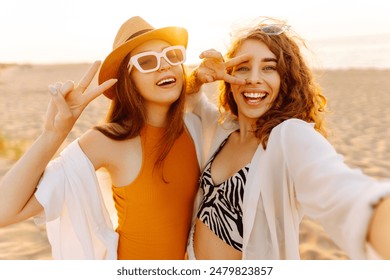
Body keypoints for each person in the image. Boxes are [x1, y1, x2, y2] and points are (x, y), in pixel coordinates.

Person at [185, 17, 390, 260]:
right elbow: (189, 102)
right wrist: (198, 78)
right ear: (229, 77)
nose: (253, 78)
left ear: (286, 80)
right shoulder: (222, 128)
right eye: (243, 67)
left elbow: (346, 195)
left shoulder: (289, 137)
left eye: (269, 67)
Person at [0, 16, 203, 260]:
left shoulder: (195, 127)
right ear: (129, 80)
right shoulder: (110, 140)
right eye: (147, 61)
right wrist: (53, 135)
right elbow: (5, 212)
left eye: (172, 55)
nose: (164, 66)